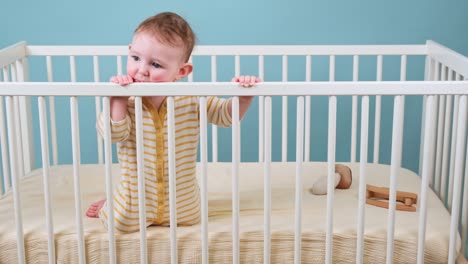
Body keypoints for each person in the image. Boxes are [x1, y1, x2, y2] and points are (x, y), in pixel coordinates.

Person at [85, 12, 261, 232]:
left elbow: (226, 116)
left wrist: (243, 97)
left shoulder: (191, 99)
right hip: (136, 199)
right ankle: (110, 204)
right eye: (136, 58)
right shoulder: (126, 100)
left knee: (192, 219)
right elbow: (114, 135)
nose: (142, 70)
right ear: (129, 51)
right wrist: (118, 99)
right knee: (119, 222)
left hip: (182, 202)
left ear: (181, 71)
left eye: (156, 64)